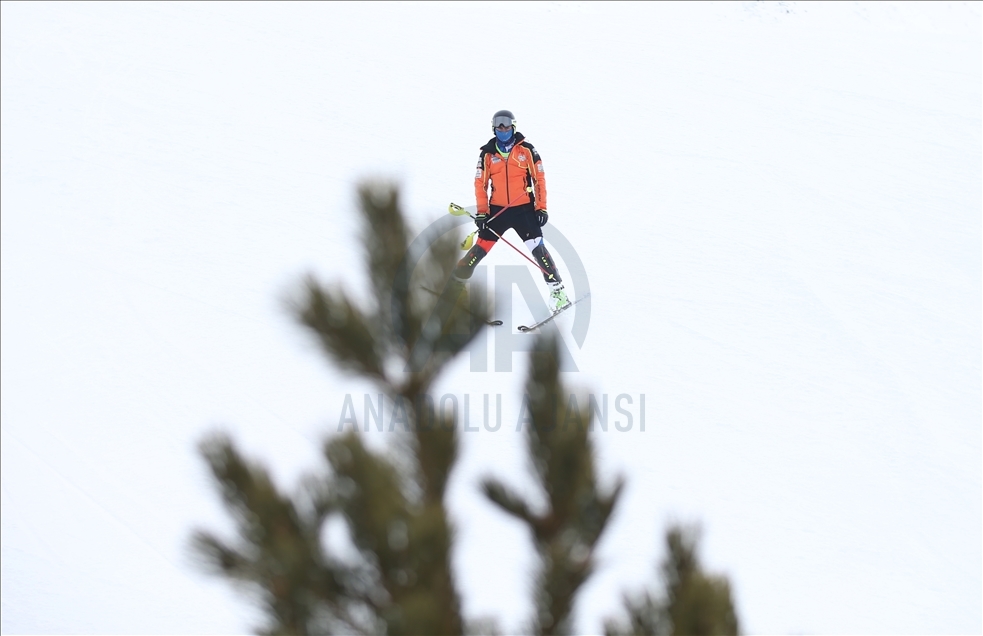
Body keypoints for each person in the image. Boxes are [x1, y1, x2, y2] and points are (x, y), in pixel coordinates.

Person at [453, 110, 569, 312]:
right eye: (499, 125)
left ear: (513, 126)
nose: (503, 129)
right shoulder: (488, 154)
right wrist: (482, 212)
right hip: (498, 210)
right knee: (481, 247)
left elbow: (539, 179)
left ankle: (558, 292)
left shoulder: (527, 151)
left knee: (538, 249)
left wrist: (541, 207)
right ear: (493, 128)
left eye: (506, 125)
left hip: (524, 210)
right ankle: (455, 284)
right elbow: (480, 183)